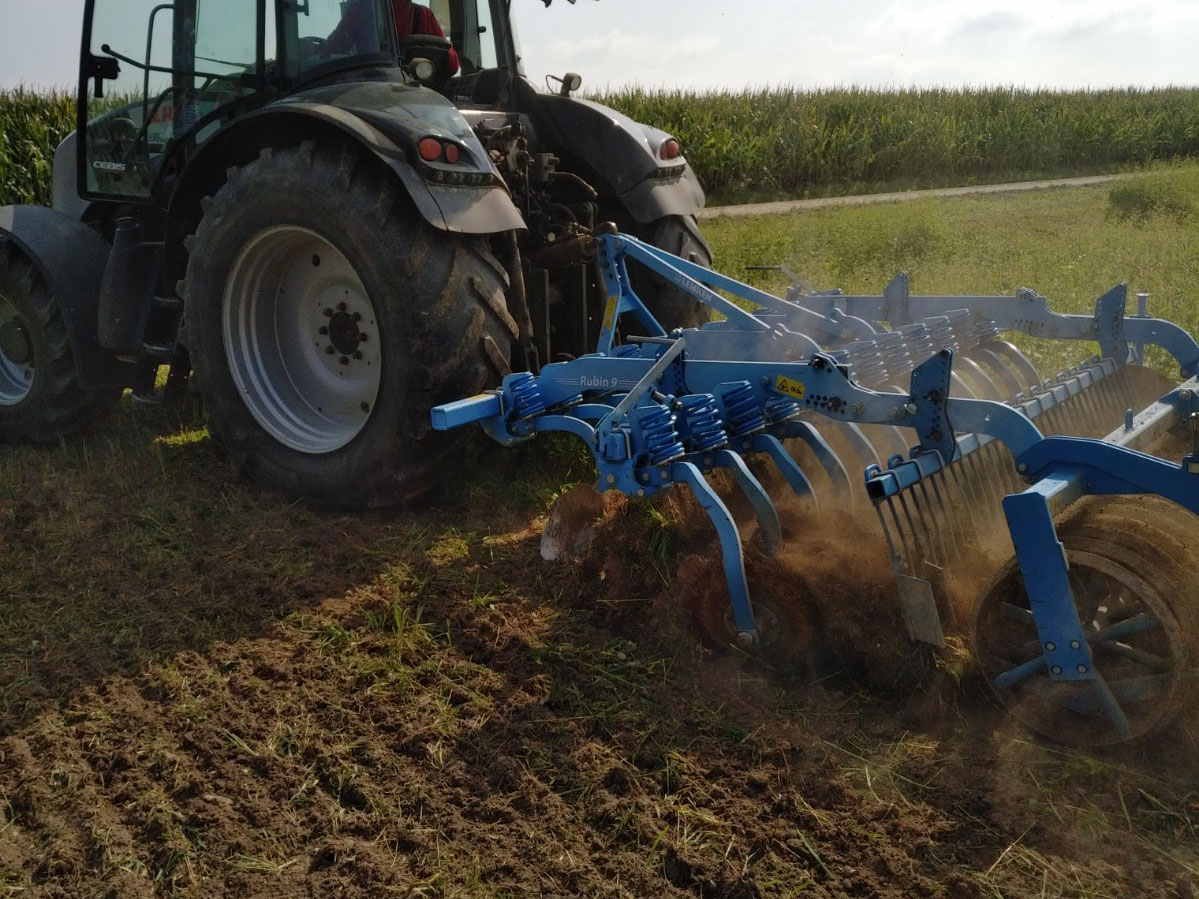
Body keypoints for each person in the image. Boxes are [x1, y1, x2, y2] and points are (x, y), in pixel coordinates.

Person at [327, 0, 460, 76]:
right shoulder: (423, 15)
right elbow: (452, 66)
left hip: (372, 92)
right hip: (421, 103)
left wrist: (309, 50)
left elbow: (332, 49)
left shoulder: (359, 11)